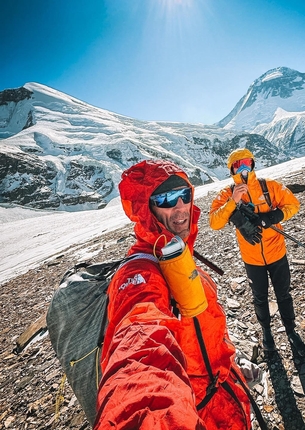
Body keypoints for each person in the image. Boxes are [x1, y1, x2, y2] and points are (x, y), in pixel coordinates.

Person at [94, 159, 252, 429]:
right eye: (166, 199)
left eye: (184, 195)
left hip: (226, 394)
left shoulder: (178, 256)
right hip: (196, 411)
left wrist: (233, 367)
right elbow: (141, 350)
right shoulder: (140, 275)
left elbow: (203, 333)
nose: (180, 208)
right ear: (148, 209)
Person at [209, 148, 305, 355]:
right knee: (259, 297)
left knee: (284, 294)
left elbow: (293, 204)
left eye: (246, 162)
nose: (243, 168)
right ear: (231, 169)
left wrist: (272, 217)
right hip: (252, 258)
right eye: (238, 165)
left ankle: (291, 331)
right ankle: (266, 333)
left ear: (252, 164)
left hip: (277, 253)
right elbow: (214, 222)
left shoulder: (268, 186)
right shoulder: (226, 194)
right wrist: (232, 202)